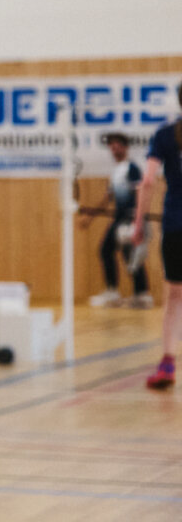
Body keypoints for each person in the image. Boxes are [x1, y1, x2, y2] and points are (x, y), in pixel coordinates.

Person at [131, 86, 182, 390]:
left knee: (174, 296)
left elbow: (148, 181)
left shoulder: (165, 135)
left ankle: (167, 364)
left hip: (176, 224)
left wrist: (139, 223)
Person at [85, 132, 152, 308]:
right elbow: (109, 197)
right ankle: (114, 291)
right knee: (107, 250)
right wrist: (90, 217)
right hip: (118, 219)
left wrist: (138, 220)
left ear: (125, 147)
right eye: (112, 148)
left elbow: (140, 192)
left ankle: (141, 294)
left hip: (129, 218)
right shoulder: (116, 171)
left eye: (117, 147)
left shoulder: (131, 168)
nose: (114, 150)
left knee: (129, 254)